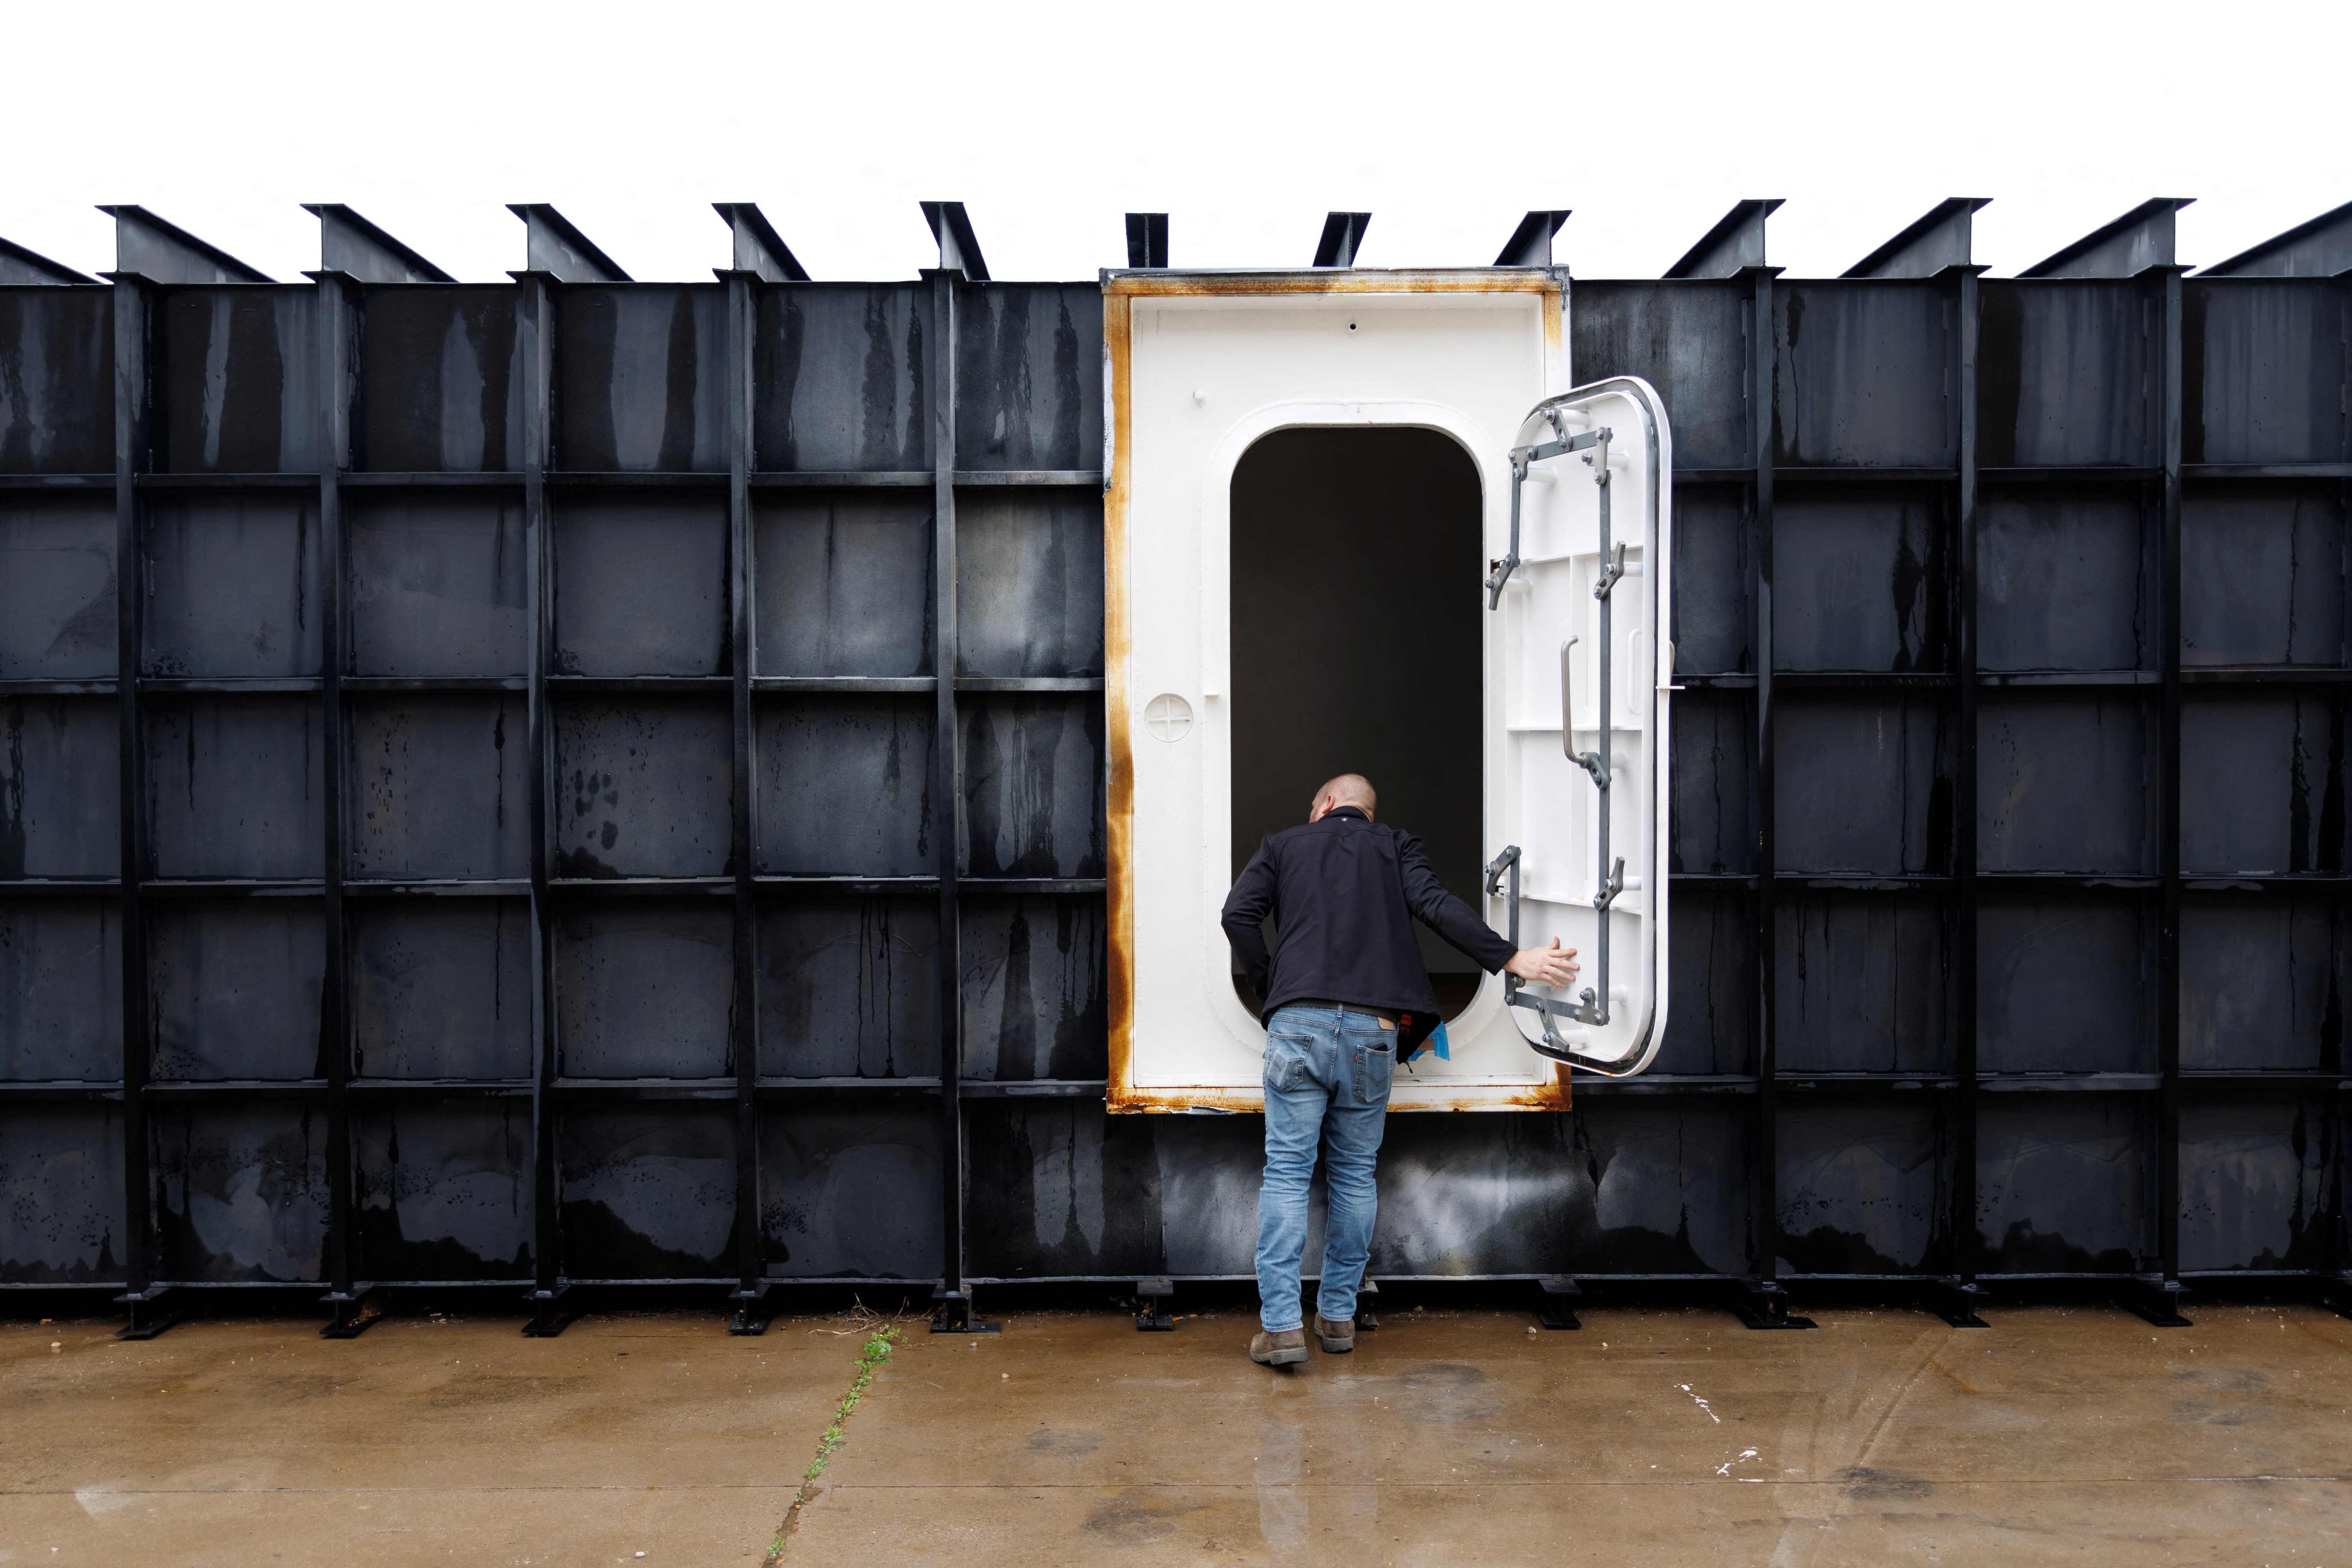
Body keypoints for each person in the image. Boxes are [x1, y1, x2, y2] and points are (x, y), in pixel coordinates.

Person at [1220, 772, 1579, 1368]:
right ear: (1364, 811)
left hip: (1298, 1025)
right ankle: (1337, 1318)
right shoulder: (1395, 845)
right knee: (1355, 1174)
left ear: (1325, 804)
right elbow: (1435, 906)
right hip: (1371, 1030)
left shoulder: (1282, 844)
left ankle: (1281, 1327)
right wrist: (1513, 958)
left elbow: (1239, 915)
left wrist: (1272, 987)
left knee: (1285, 1173)